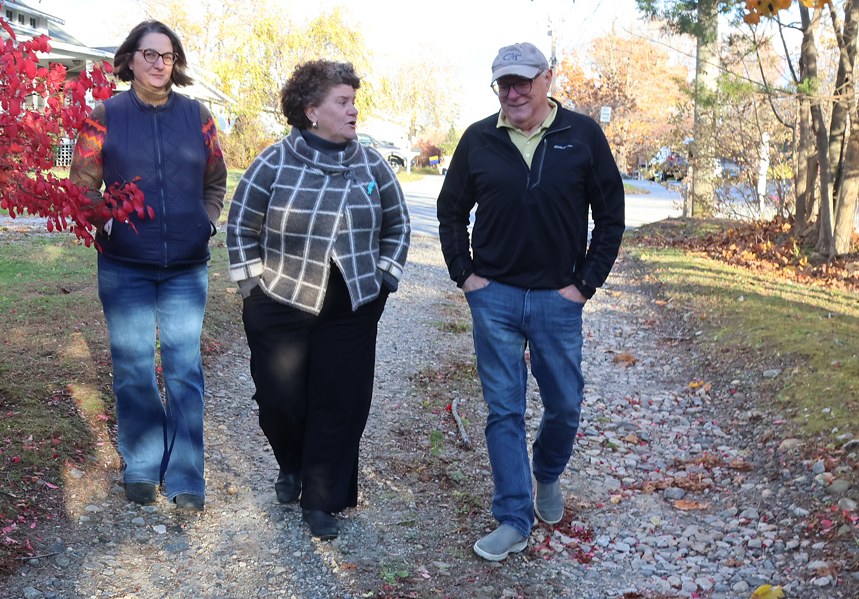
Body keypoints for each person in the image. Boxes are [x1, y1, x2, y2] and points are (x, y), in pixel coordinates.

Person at [437, 42, 625, 561]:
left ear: (547, 78)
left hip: (557, 300)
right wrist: (465, 275)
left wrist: (583, 285)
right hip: (493, 297)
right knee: (504, 411)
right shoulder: (477, 139)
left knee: (564, 403)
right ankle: (513, 517)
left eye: (523, 81)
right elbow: (450, 210)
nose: (514, 92)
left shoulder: (582, 135)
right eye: (504, 83)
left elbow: (610, 218)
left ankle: (546, 472)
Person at [227, 60, 410, 540]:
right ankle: (292, 463)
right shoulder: (275, 160)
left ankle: (321, 497)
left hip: (352, 303)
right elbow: (242, 222)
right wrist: (251, 287)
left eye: (354, 101)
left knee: (340, 400)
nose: (353, 111)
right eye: (342, 102)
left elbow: (398, 224)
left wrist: (384, 280)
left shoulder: (371, 163)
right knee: (279, 400)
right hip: (281, 299)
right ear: (311, 111)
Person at [69, 20, 227, 513]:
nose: (160, 64)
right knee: (134, 368)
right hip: (125, 267)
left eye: (168, 56)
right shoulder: (105, 116)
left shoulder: (198, 117)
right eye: (150, 54)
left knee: (184, 371)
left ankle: (185, 475)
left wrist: (206, 222)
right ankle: (140, 463)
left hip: (186, 267)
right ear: (130, 59)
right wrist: (109, 222)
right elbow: (81, 184)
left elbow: (216, 179)